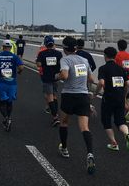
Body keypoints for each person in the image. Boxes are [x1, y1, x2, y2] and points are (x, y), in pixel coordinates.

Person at [56, 36, 96, 175]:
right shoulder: (84, 60)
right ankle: (90, 154)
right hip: (83, 96)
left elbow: (65, 76)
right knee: (85, 127)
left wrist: (57, 76)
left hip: (69, 95)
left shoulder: (65, 59)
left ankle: (65, 148)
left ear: (65, 48)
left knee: (64, 122)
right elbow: (91, 79)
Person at [95, 47, 129, 151]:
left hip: (108, 98)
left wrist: (95, 94)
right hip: (120, 98)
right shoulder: (120, 69)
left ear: (105, 56)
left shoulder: (103, 68)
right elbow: (128, 84)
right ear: (115, 56)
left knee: (106, 121)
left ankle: (114, 143)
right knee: (120, 121)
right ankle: (127, 134)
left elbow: (101, 82)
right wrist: (124, 97)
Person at [0, 39, 24, 132]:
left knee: (1, 103)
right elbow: (21, 67)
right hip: (12, 84)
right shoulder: (14, 57)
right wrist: (19, 72)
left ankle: (6, 118)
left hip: (1, 83)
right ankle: (8, 117)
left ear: (3, 47)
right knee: (9, 102)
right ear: (11, 47)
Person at [36, 35, 62, 126]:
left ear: (45, 44)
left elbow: (39, 64)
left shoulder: (42, 53)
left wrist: (42, 62)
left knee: (49, 97)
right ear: (53, 43)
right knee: (54, 96)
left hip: (46, 77)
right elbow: (61, 64)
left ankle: (55, 117)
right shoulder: (58, 54)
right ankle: (56, 112)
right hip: (56, 77)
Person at [114, 39, 129, 122]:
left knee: (120, 98)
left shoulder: (116, 56)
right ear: (126, 46)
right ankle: (127, 116)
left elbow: (114, 67)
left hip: (120, 80)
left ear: (118, 46)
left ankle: (125, 111)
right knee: (127, 98)